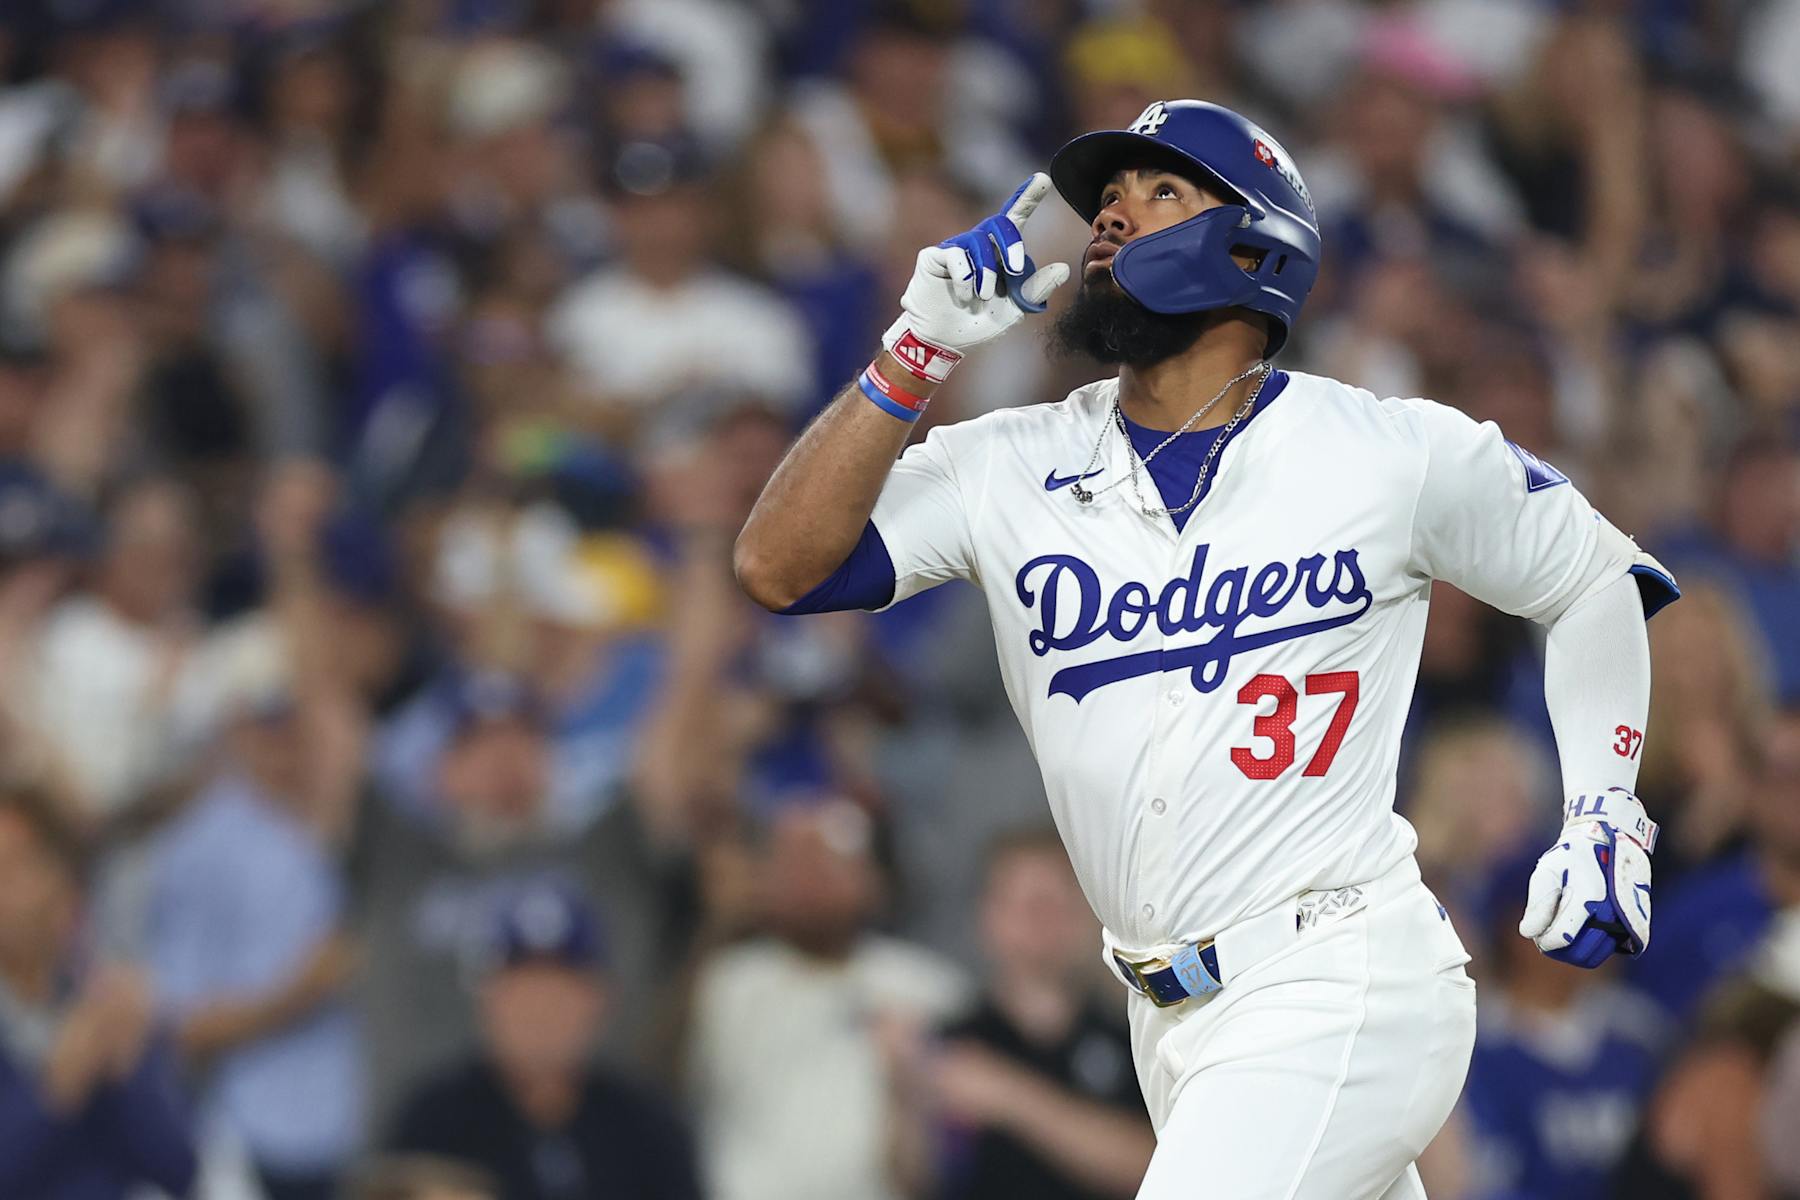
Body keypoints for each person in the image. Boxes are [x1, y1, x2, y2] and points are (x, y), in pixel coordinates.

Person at [733, 98, 1680, 1199]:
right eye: (1106, 199)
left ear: (1253, 243)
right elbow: (779, 568)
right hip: (1167, 1020)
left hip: (1339, 971)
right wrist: (915, 351)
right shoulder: (1010, 463)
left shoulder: (1386, 452)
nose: (1109, 218)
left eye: (1159, 191)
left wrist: (1605, 803)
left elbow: (1595, 576)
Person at [388, 880, 702, 1200]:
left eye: (560, 989)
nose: (541, 1010)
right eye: (524, 988)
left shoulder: (648, 1127)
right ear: (486, 998)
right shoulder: (434, 1122)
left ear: (601, 998)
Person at [894, 826, 1152, 1199]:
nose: (1041, 920)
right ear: (988, 916)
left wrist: (1009, 1096)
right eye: (1024, 903)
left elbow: (1151, 1167)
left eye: (1058, 902)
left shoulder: (1138, 1039)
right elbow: (913, 1181)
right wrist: (907, 1098)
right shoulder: (951, 1041)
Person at [0, 785, 197, 1199]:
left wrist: (127, 1068)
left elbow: (177, 1167)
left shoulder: (103, 999)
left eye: (15, 866)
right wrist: (53, 1094)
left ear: (65, 886)